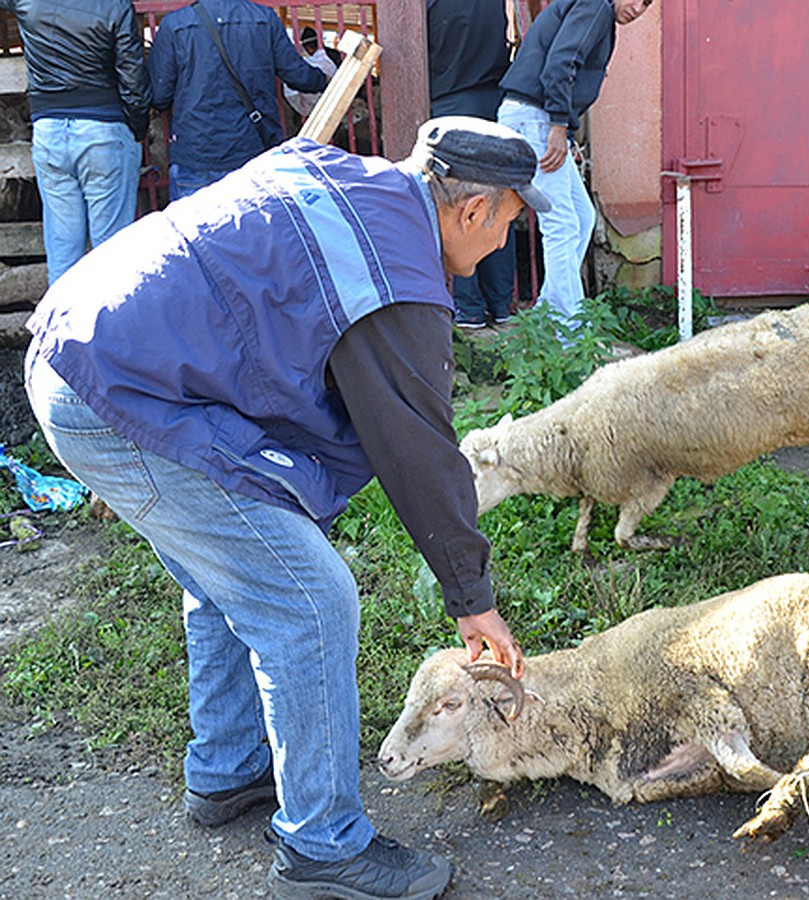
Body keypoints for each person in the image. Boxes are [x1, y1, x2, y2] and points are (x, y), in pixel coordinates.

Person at [24, 116, 548, 898]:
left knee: (234, 568)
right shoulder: (398, 275)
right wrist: (472, 599)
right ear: (472, 210)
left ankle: (229, 769)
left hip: (87, 347)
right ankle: (323, 849)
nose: (505, 242)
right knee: (307, 599)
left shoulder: (347, 180)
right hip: (120, 390)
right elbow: (419, 449)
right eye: (510, 220)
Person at [498, 0, 655, 331]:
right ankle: (569, 335)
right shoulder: (596, 5)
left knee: (582, 217)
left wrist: (564, 132)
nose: (640, 9)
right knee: (561, 225)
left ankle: (546, 315)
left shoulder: (599, 15)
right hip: (536, 118)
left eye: (647, 5)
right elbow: (561, 62)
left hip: (539, 119)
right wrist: (558, 124)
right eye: (638, 0)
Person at [0, 0, 151, 285]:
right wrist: (137, 130)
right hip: (104, 129)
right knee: (111, 249)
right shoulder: (115, 6)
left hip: (49, 130)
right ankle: (110, 327)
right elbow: (133, 77)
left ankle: (65, 326)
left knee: (63, 247)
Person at [145, 0, 329, 201]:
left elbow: (159, 95)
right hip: (255, 151)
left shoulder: (175, 25)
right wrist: (326, 79)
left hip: (198, 153)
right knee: (257, 229)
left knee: (194, 230)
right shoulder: (265, 19)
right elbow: (298, 76)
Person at [428, 0, 517, 329]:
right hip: (493, 104)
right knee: (498, 204)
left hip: (448, 107)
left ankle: (469, 309)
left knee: (458, 209)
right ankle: (502, 303)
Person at [283, 27, 341, 120]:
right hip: (338, 104)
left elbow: (292, 93)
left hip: (318, 109)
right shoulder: (332, 56)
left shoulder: (309, 63)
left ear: (307, 47)